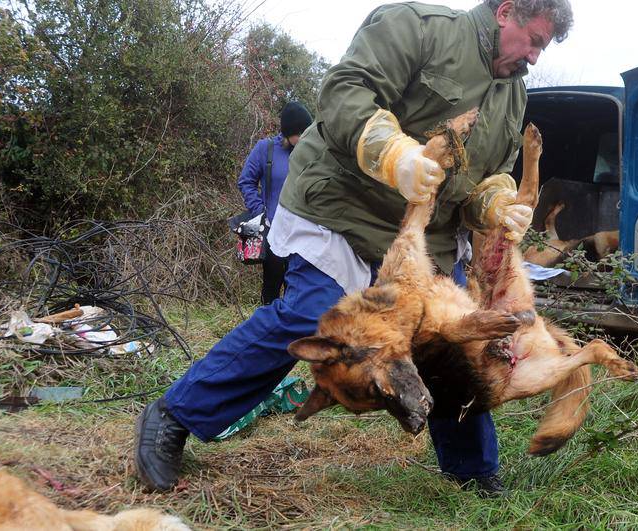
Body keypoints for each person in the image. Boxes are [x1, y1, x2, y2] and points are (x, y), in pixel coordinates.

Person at [135, 0, 573, 497]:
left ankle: (472, 471)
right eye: (534, 40)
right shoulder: (417, 27)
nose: (535, 57)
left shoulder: (513, 94)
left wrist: (495, 205)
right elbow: (345, 96)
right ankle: (174, 415)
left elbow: (484, 180)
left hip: (419, 237)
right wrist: (395, 155)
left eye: (543, 47)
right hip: (342, 212)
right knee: (314, 317)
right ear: (506, 12)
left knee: (451, 345)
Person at [237, 101, 313, 305]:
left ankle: (290, 334)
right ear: (289, 133)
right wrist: (260, 212)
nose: (306, 138)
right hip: (273, 235)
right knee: (270, 291)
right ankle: (266, 331)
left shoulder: (312, 153)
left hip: (303, 236)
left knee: (296, 294)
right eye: (301, 133)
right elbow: (246, 181)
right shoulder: (266, 149)